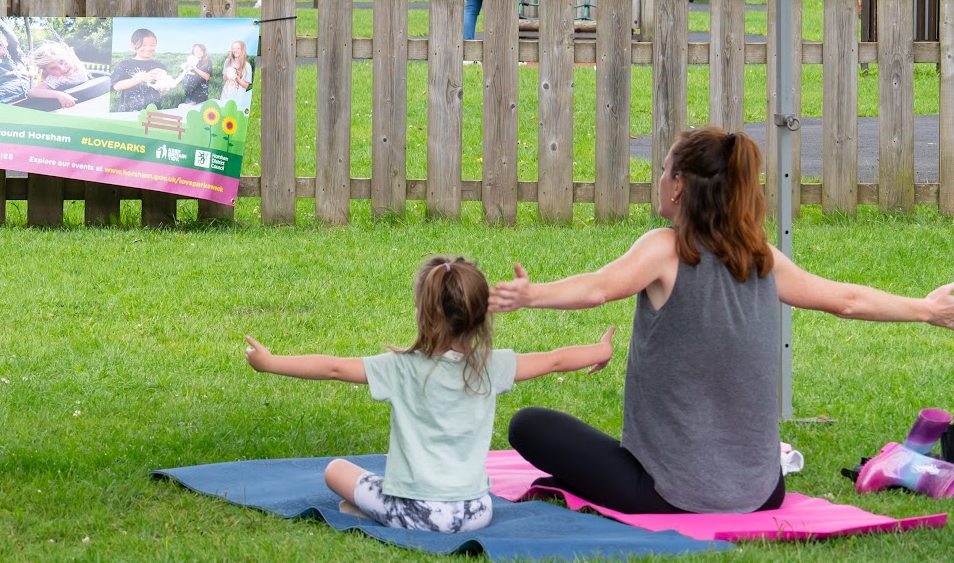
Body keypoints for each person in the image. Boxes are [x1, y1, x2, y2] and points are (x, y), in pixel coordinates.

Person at [490, 126, 954, 515]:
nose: (659, 178)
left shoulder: (665, 249)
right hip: (763, 494)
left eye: (663, 170)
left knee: (528, 425)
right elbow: (846, 300)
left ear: (679, 185)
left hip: (670, 496)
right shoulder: (761, 258)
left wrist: (531, 295)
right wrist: (926, 309)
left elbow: (597, 289)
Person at [244, 255, 615, 534]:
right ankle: (384, 508)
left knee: (336, 470)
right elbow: (554, 361)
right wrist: (600, 351)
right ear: (479, 317)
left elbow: (334, 368)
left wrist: (270, 362)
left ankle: (380, 512)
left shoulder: (400, 367)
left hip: (418, 514)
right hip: (475, 513)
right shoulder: (491, 365)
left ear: (424, 312)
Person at [111, 27, 170, 112]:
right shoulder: (124, 65)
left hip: (153, 111)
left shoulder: (159, 66)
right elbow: (116, 86)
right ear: (133, 45)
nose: (148, 48)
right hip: (128, 112)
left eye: (152, 45)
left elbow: (163, 87)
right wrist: (140, 78)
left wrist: (163, 88)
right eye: (143, 45)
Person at [26, 41, 91, 109]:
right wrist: (59, 95)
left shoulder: (73, 59)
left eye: (62, 62)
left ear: (68, 56)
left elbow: (71, 51)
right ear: (47, 71)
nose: (62, 69)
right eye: (53, 68)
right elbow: (32, 92)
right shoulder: (56, 78)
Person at [221, 39, 253, 113]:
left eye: (238, 48)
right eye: (233, 48)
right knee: (224, 112)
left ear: (242, 50)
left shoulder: (247, 66)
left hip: (238, 95)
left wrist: (237, 78)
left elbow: (246, 85)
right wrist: (227, 74)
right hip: (226, 92)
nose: (235, 50)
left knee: (234, 115)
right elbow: (224, 78)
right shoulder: (228, 61)